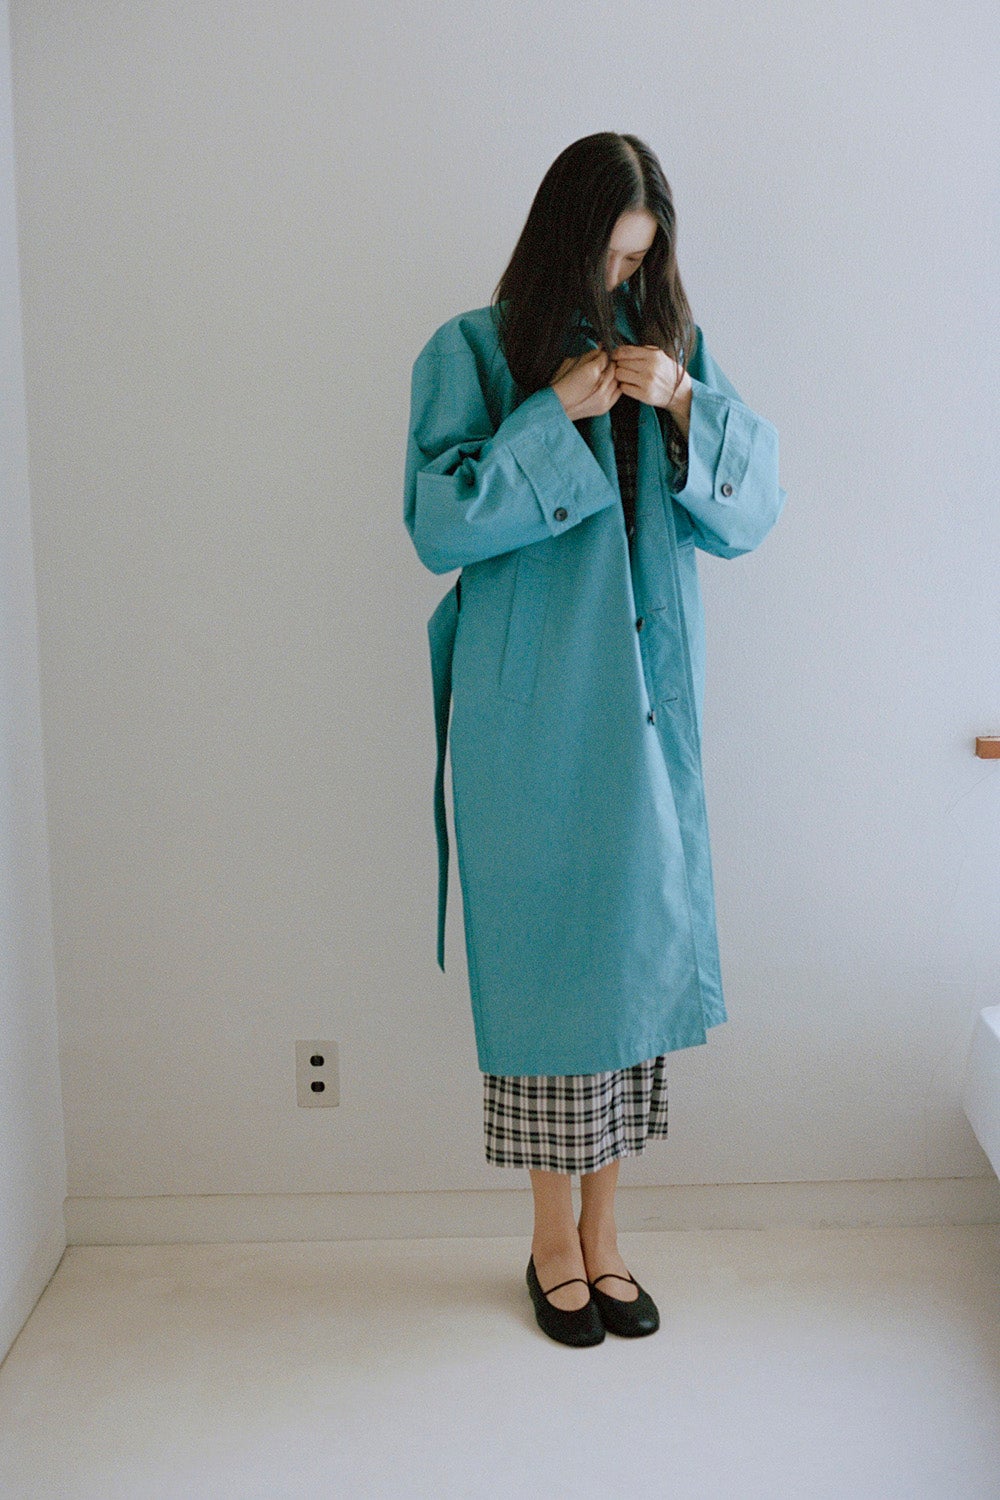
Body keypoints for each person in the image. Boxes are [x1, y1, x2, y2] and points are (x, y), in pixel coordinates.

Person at [403, 132, 787, 1347]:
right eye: (610, 257)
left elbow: (753, 509)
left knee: (630, 964)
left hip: (647, 707)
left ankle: (608, 1235)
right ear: (562, 240)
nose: (624, 281)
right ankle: (548, 1241)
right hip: (528, 716)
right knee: (545, 970)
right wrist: (549, 415)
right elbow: (436, 521)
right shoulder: (471, 350)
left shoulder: (673, 350)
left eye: (641, 260)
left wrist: (681, 399)